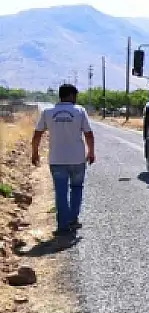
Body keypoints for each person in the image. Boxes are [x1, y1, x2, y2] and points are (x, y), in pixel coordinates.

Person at [30, 84, 96, 236]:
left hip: (57, 159)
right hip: (77, 159)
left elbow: (37, 134)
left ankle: (63, 225)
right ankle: (73, 219)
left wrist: (35, 153)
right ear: (72, 96)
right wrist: (91, 152)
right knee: (77, 188)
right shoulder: (79, 111)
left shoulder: (48, 112)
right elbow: (89, 134)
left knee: (61, 192)